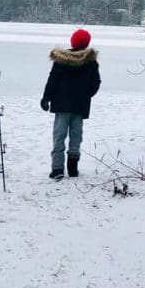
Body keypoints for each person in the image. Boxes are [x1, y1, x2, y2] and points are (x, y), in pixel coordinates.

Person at [40, 27, 101, 180]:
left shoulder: (62, 60)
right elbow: (96, 83)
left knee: (59, 136)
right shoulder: (91, 62)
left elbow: (52, 80)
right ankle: (73, 168)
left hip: (62, 105)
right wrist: (86, 95)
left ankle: (57, 168)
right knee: (76, 136)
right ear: (87, 44)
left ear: (72, 42)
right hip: (80, 106)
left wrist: (46, 98)